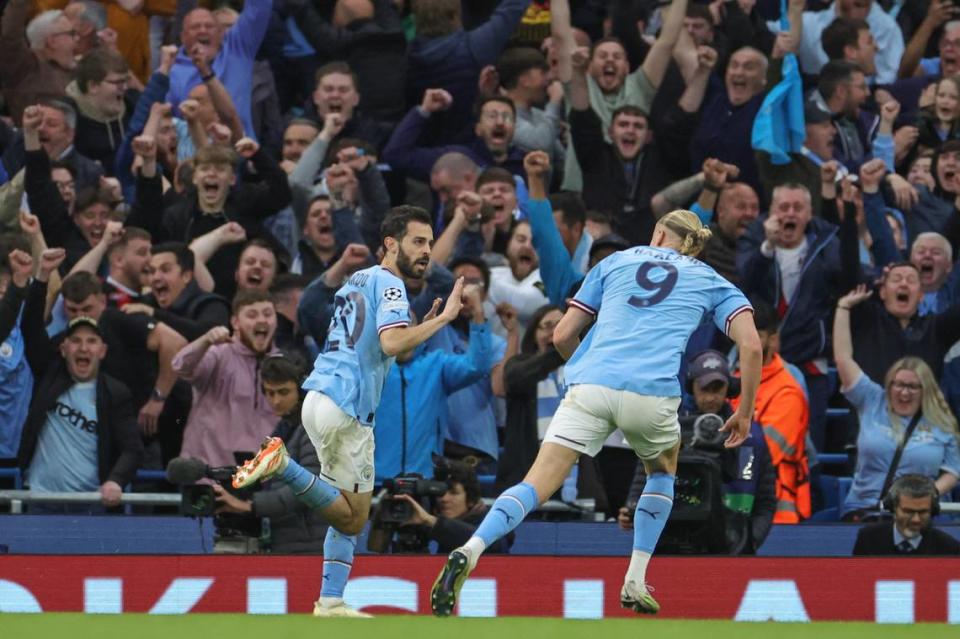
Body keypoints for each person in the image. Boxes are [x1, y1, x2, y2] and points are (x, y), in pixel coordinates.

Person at [430, 209, 762, 616]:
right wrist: (744, 412)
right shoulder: (711, 279)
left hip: (592, 385)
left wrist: (583, 368)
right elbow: (750, 346)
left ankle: (471, 547)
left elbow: (562, 334)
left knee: (536, 482)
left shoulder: (615, 261)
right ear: (695, 246)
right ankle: (635, 580)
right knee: (662, 472)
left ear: (658, 233)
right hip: (651, 393)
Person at [230, 206, 466, 618]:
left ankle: (331, 600)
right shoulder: (392, 284)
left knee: (344, 513)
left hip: (319, 398)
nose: (427, 250)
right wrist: (446, 317)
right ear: (391, 244)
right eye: (418, 241)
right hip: (348, 408)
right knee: (354, 520)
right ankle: (282, 464)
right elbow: (392, 344)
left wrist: (425, 325)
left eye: (430, 242)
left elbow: (390, 346)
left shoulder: (358, 279)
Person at [18, 249, 144, 510]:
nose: (83, 348)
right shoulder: (49, 373)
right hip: (40, 500)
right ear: (64, 349)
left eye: (91, 341)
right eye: (75, 341)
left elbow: (133, 449)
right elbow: (30, 327)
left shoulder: (115, 392)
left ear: (103, 350)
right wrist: (42, 276)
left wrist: (116, 481)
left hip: (90, 505)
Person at [621, 349, 777, 555]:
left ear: (729, 388)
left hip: (731, 548)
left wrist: (749, 541)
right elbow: (644, 478)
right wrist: (633, 510)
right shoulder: (667, 430)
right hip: (672, 543)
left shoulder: (752, 436)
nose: (711, 397)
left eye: (718, 388)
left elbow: (766, 502)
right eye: (704, 388)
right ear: (691, 387)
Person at [833, 285, 960, 521]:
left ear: (925, 390)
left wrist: (925, 497)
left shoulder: (941, 418)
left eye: (913, 387)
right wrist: (843, 307)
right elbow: (843, 358)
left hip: (920, 516)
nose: (904, 392)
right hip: (865, 511)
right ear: (889, 384)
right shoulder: (872, 399)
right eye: (898, 385)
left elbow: (954, 470)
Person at [212, 353, 328, 553]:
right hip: (290, 543)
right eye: (269, 392)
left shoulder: (314, 426)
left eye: (283, 392)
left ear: (302, 391)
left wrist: (249, 506)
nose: (275, 401)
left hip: (311, 548)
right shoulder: (285, 429)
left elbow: (309, 488)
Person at [172, 289, 280, 468]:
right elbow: (181, 367)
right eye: (252, 315)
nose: (261, 320)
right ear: (235, 322)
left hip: (260, 476)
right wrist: (205, 341)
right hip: (209, 474)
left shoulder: (282, 363)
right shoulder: (218, 353)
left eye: (268, 314)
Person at [731, 303, 811, 524]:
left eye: (755, 335)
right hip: (731, 503)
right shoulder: (729, 381)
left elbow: (766, 454)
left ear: (773, 340)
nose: (747, 342)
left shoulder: (788, 391)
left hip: (775, 514)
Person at [374, 459, 513, 554]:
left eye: (454, 493)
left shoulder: (493, 521)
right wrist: (382, 517)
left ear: (470, 499)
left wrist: (432, 521)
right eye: (440, 493)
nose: (444, 499)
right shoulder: (428, 519)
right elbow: (374, 549)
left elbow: (496, 546)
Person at [852, 474, 960, 555]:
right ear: (893, 508)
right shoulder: (868, 538)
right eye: (908, 511)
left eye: (923, 512)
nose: (916, 520)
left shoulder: (948, 547)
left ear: (933, 510)